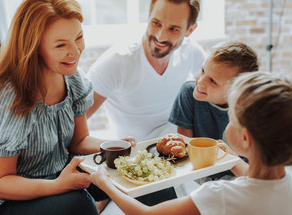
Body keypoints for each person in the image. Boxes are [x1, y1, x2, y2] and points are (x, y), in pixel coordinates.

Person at [0, 0, 136, 215]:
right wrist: (58, 186)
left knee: (137, 181)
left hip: (52, 169)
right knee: (80, 204)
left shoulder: (72, 78)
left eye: (78, 38)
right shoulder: (8, 97)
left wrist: (114, 146)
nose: (75, 52)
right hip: (0, 197)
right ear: (33, 47)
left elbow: (78, 141)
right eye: (61, 45)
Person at [90, 71, 292, 215]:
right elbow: (259, 182)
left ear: (246, 138)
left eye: (232, 118)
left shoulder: (220, 195)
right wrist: (233, 158)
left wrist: (105, 184)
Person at [87, 0, 206, 142]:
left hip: (178, 148)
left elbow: (222, 91)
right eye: (156, 23)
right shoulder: (117, 62)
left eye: (173, 29)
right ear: (148, 17)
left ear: (190, 30)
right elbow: (74, 125)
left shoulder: (190, 51)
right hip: (135, 155)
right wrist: (113, 146)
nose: (160, 36)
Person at [169, 41, 259, 140]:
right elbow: (185, 144)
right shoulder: (188, 93)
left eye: (212, 81)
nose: (200, 81)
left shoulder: (246, 109)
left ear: (234, 92)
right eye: (203, 70)